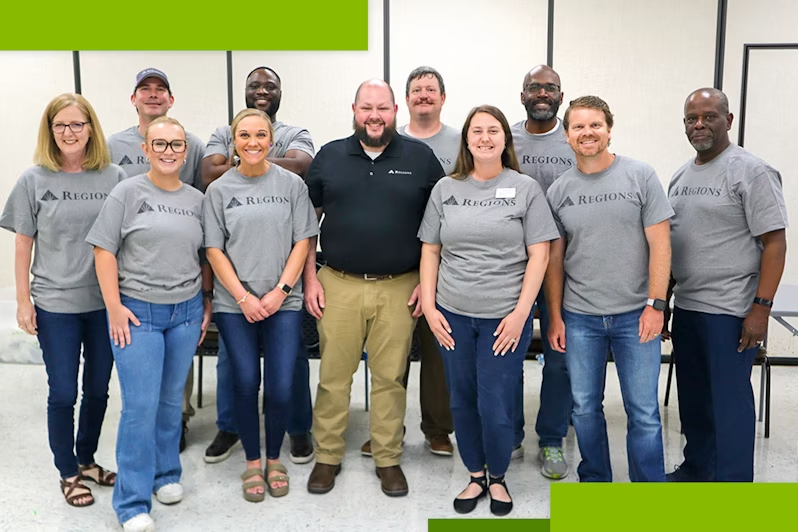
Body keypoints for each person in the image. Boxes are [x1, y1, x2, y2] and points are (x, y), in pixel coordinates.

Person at [305, 79, 444, 497]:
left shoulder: (420, 158)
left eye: (382, 108)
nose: (374, 116)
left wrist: (425, 282)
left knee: (390, 378)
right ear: (354, 109)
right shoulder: (329, 156)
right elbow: (306, 225)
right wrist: (310, 277)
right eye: (367, 108)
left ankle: (388, 458)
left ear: (395, 110)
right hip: (338, 283)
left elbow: (436, 230)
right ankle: (327, 456)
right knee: (333, 377)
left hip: (399, 286)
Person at [419, 105, 557, 515]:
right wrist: (429, 306)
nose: (484, 137)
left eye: (492, 130)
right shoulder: (446, 189)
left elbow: (540, 255)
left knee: (494, 401)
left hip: (504, 318)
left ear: (504, 139)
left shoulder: (525, 188)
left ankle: (497, 477)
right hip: (453, 314)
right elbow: (430, 249)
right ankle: (474, 474)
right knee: (461, 398)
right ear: (466, 140)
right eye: (476, 131)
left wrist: (520, 315)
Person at [87, 116, 211, 532]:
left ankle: (166, 475)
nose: (169, 152)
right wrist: (113, 306)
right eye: (160, 145)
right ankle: (132, 501)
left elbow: (206, 254)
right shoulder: (127, 192)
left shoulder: (197, 199)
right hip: (137, 314)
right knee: (139, 407)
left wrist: (204, 302)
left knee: (170, 400)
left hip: (185, 312)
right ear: (146, 150)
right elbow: (103, 250)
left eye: (176, 145)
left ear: (185, 151)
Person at [0, 93, 125, 508]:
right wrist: (23, 301)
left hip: (105, 303)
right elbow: (23, 246)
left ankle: (86, 459)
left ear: (91, 129)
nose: (69, 133)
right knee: (63, 393)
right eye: (61, 126)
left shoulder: (115, 177)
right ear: (50, 131)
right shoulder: (34, 180)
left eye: (77, 124)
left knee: (98, 389)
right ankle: (67, 471)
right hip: (55, 304)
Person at [544, 96, 672, 482]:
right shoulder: (559, 190)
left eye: (595, 125)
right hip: (580, 317)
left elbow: (661, 244)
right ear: (567, 136)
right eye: (578, 127)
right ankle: (596, 480)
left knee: (644, 411)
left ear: (609, 130)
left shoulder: (640, 176)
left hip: (637, 314)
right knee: (584, 407)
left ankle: (647, 490)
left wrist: (657, 304)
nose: (587, 133)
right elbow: (554, 262)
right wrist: (555, 317)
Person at [666, 88, 787, 482]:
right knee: (695, 401)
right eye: (691, 118)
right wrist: (662, 301)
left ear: (728, 120)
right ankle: (697, 468)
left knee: (728, 405)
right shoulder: (680, 176)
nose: (699, 124)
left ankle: (732, 486)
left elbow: (775, 243)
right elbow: (675, 243)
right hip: (688, 307)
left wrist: (761, 309)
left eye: (709, 116)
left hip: (730, 311)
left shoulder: (751, 171)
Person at [200, 66, 316, 465]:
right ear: (233, 138)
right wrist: (244, 297)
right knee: (240, 375)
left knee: (287, 375)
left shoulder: (293, 160)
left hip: (283, 296)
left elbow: (302, 171)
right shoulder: (219, 187)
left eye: (261, 135)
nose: (262, 90)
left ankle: (296, 432)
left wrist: (281, 291)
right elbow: (207, 174)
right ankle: (238, 437)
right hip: (238, 301)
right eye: (254, 85)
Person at [359, 66, 458, 458]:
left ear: (442, 98)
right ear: (404, 102)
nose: (424, 96)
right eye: (416, 90)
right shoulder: (387, 141)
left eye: (430, 90)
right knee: (390, 353)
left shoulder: (458, 142)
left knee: (437, 353)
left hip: (446, 266)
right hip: (396, 266)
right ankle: (388, 429)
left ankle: (437, 429)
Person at [107, 67, 206, 452]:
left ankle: (176, 422)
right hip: (131, 273)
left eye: (160, 89)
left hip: (179, 274)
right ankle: (141, 434)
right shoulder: (113, 146)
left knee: (173, 377)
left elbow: (197, 200)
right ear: (133, 99)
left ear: (171, 99)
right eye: (144, 89)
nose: (152, 95)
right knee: (140, 381)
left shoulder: (193, 144)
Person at [510, 65, 575, 478]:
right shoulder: (506, 138)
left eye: (550, 87)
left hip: (564, 267)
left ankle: (551, 438)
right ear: (522, 96)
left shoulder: (575, 138)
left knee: (560, 355)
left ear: (560, 96)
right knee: (508, 353)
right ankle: (510, 432)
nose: (542, 93)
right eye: (534, 87)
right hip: (511, 267)